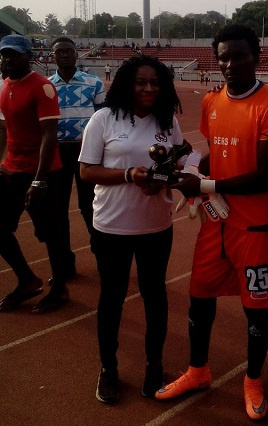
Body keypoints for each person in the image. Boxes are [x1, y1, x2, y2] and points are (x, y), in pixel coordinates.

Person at [155, 24, 268, 421]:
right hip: (215, 224)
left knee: (257, 310)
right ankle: (198, 370)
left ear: (257, 55)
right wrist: (192, 169)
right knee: (200, 297)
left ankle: (252, 380)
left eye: (239, 56)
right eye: (224, 57)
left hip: (256, 229)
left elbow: (267, 175)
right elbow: (215, 154)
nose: (230, 64)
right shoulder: (213, 102)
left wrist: (205, 182)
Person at [79, 55, 184, 404]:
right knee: (112, 298)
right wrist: (129, 176)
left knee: (156, 297)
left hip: (156, 225)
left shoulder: (167, 122)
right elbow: (87, 171)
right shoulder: (104, 119)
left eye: (155, 82)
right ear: (127, 83)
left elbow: (182, 162)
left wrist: (167, 179)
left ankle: (154, 364)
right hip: (111, 226)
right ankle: (108, 368)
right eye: (141, 82)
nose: (149, 88)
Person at [0, 34, 71, 314]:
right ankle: (28, 280)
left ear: (28, 56)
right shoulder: (5, 85)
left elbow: (49, 136)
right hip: (12, 171)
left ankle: (60, 287)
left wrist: (39, 179)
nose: (7, 59)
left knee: (50, 233)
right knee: (1, 228)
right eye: (4, 54)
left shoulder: (42, 88)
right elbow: (4, 130)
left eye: (14, 54)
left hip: (42, 174)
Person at [48, 36, 106, 272]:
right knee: (58, 208)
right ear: (52, 56)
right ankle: (64, 263)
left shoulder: (94, 83)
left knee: (90, 205)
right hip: (58, 149)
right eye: (59, 51)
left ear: (76, 54)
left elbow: (104, 119)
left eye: (68, 50)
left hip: (87, 150)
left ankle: (102, 253)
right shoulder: (46, 86)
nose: (64, 54)